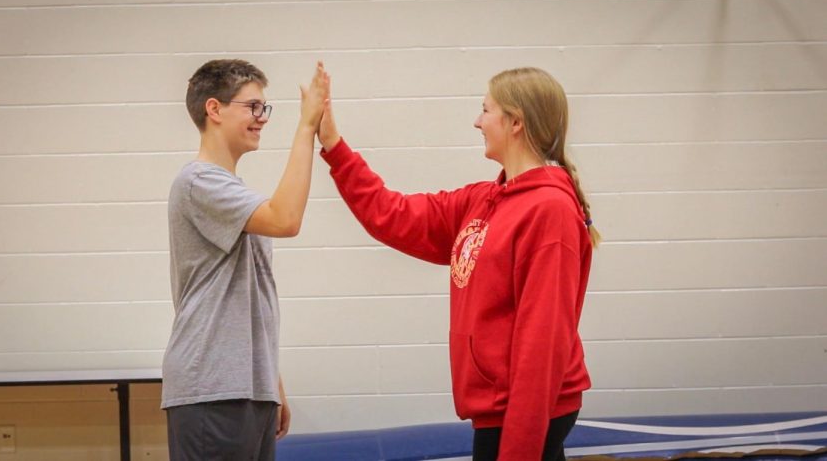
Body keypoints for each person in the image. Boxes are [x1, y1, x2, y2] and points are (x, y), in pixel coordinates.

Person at [316, 67, 600, 461]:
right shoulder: (483, 200)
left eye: (486, 110)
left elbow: (543, 344)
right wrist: (333, 144)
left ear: (515, 122)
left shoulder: (549, 211)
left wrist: (519, 447)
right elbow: (392, 214)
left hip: (526, 412)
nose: (477, 121)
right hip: (498, 410)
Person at [162, 59, 328, 460]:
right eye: (253, 107)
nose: (262, 118)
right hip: (212, 389)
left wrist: (271, 380)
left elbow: (250, 299)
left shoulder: (232, 190)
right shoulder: (199, 182)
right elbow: (286, 219)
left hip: (246, 387)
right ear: (214, 109)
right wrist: (306, 128)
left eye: (263, 109)